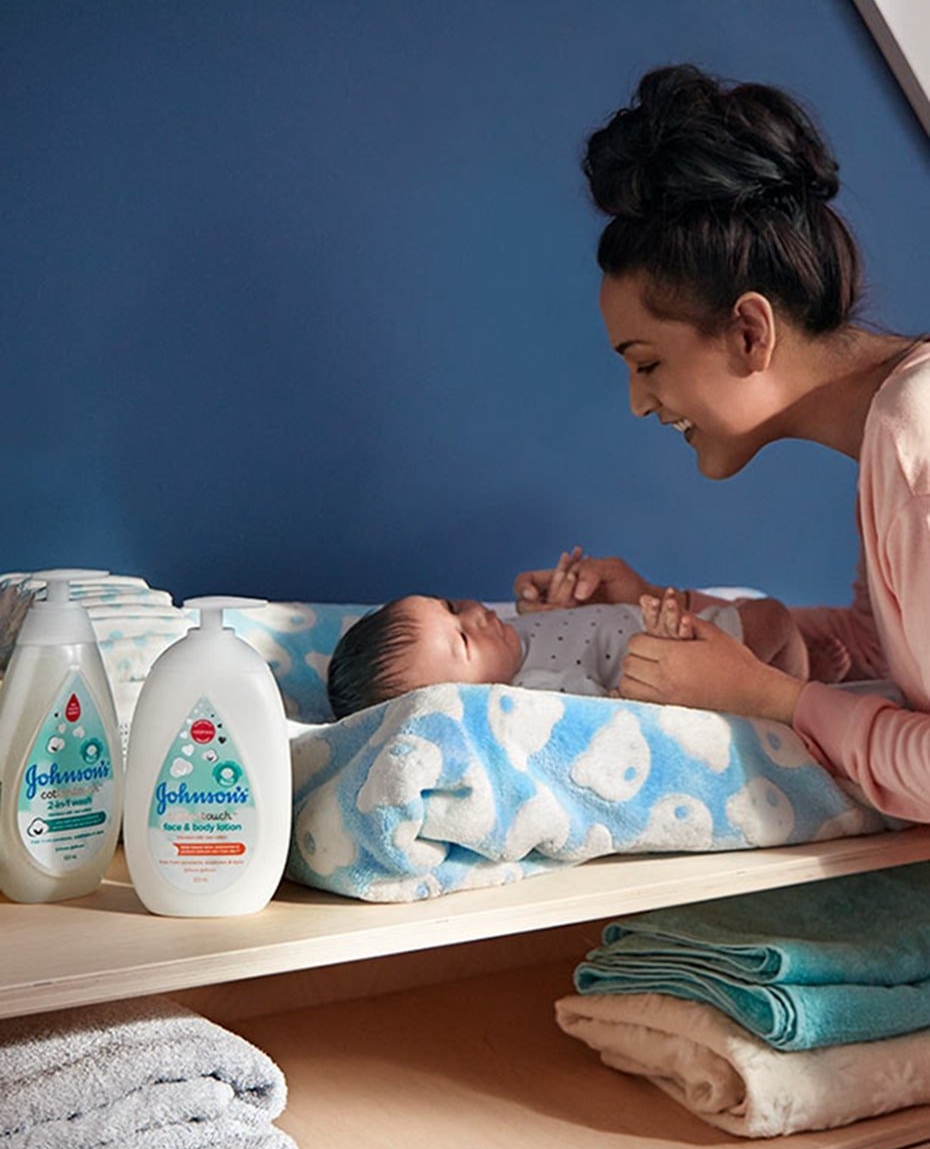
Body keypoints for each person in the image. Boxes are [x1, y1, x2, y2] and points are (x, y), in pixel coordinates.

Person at [515, 65, 929, 820]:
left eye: (648, 363)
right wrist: (653, 616)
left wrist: (772, 699)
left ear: (749, 331)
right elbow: (880, 653)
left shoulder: (919, 436)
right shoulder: (896, 432)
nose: (640, 403)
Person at [326, 577, 808, 719]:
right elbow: (612, 710)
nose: (473, 613)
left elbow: (567, 635)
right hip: (688, 654)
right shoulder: (535, 692)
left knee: (775, 619)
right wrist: (665, 651)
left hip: (673, 624)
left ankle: (806, 682)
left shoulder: (513, 637)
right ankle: (799, 697)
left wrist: (551, 613)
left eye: (450, 605)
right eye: (464, 639)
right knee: (774, 619)